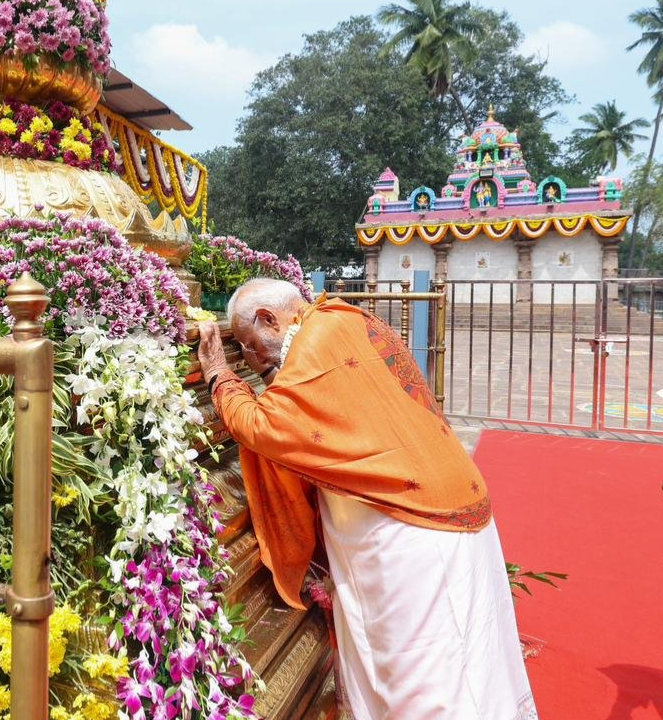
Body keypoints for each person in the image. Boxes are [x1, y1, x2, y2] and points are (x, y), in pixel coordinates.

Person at [197, 278, 536, 720]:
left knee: (425, 678)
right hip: (444, 508)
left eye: (248, 344)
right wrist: (263, 372)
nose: (251, 357)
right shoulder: (340, 318)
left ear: (268, 319)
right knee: (469, 661)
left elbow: (264, 427)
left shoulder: (317, 341)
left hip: (413, 532)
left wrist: (220, 373)